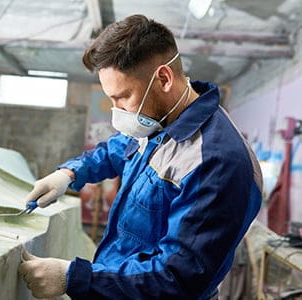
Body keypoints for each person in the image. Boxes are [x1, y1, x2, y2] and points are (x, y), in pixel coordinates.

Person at [18, 14, 263, 300]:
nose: (117, 111)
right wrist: (70, 173)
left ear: (163, 78)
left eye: (122, 97)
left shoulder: (217, 163)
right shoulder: (160, 119)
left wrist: (75, 278)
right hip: (115, 284)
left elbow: (178, 278)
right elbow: (118, 150)